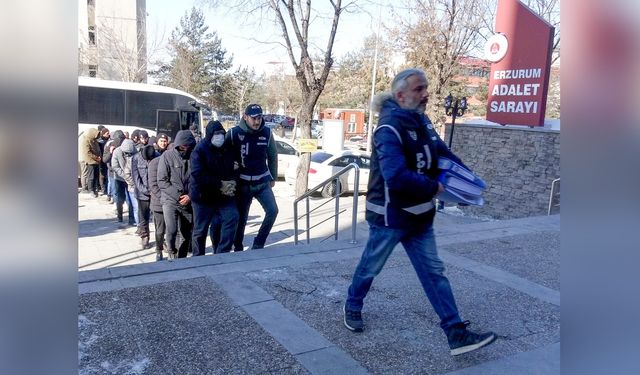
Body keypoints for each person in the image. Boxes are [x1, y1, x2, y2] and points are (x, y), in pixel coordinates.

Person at [343, 68, 496, 356]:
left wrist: (465, 178)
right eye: (419, 89)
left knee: (434, 273)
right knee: (371, 267)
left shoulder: (422, 121)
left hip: (421, 217)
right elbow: (396, 176)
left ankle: (456, 333)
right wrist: (434, 188)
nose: (426, 94)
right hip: (390, 218)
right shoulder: (388, 129)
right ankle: (352, 304)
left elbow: (440, 152)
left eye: (425, 88)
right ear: (401, 95)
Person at [227, 104, 279, 251]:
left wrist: (273, 177)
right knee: (242, 218)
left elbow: (273, 156)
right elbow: (223, 155)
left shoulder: (267, 133)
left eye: (259, 117)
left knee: (273, 211)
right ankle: (238, 246)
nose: (257, 121)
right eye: (254, 118)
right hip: (243, 184)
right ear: (245, 117)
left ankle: (259, 243)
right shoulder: (234, 133)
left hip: (262, 182)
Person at [189, 120, 239, 256]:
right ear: (209, 135)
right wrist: (220, 184)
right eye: (216, 134)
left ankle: (222, 252)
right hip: (202, 196)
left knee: (232, 217)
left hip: (223, 195)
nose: (220, 137)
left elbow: (234, 167)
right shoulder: (199, 151)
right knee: (200, 230)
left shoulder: (228, 148)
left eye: (222, 133)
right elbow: (198, 175)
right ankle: (198, 258)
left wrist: (232, 182)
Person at [157, 130, 196, 259]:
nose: (185, 148)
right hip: (170, 200)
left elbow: (199, 179)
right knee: (172, 230)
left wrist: (190, 196)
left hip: (188, 201)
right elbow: (162, 181)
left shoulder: (194, 156)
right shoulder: (167, 156)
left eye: (188, 146)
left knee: (186, 233)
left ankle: (182, 257)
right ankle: (172, 253)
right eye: (183, 146)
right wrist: (178, 196)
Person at [132, 145, 156, 250]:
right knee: (143, 217)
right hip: (142, 194)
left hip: (155, 193)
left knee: (157, 217)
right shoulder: (136, 158)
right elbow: (136, 179)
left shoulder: (158, 156)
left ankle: (160, 238)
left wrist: (154, 190)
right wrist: (146, 191)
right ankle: (144, 236)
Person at [112, 138, 139, 227]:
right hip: (120, 178)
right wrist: (124, 175)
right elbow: (115, 166)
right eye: (126, 153)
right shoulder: (117, 151)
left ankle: (131, 219)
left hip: (131, 179)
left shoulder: (135, 151)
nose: (128, 155)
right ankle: (120, 215)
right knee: (120, 198)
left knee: (131, 200)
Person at [80, 127, 102, 197]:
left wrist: (99, 156)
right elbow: (87, 152)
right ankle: (91, 190)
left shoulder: (94, 141)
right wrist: (96, 157)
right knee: (91, 177)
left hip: (96, 161)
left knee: (96, 176)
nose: (97, 136)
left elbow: (98, 149)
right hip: (90, 161)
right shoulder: (86, 140)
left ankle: (95, 189)